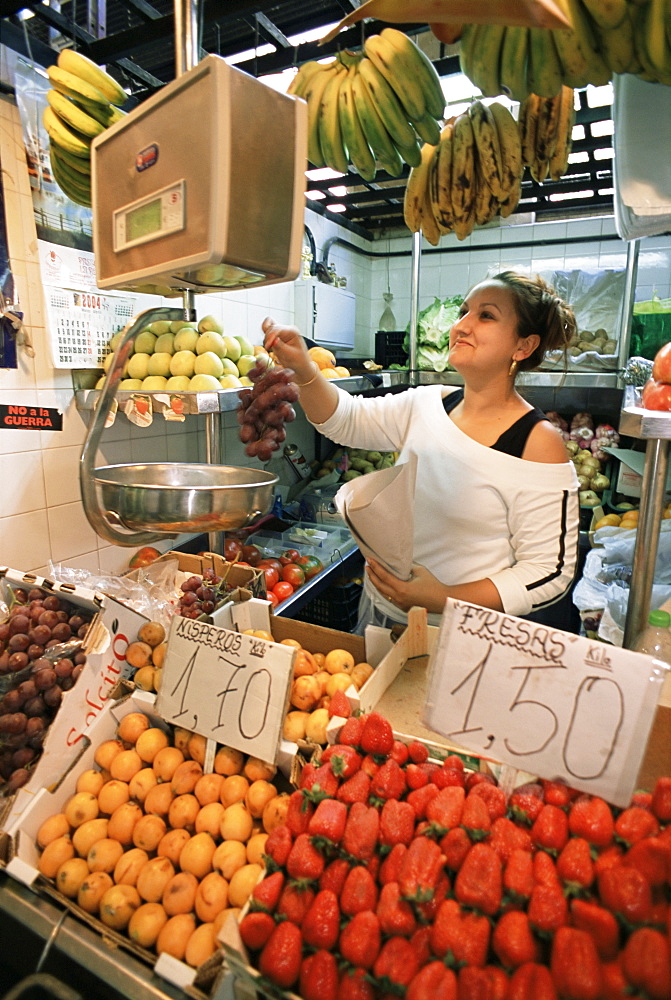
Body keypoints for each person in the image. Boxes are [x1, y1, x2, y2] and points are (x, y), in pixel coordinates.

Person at [263, 270, 580, 631]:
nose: (462, 325)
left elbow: (548, 573)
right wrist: (303, 370)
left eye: (486, 315)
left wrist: (443, 596)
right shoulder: (429, 404)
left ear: (523, 346)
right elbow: (344, 420)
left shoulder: (536, 440)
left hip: (461, 632)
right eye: (464, 311)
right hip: (382, 616)